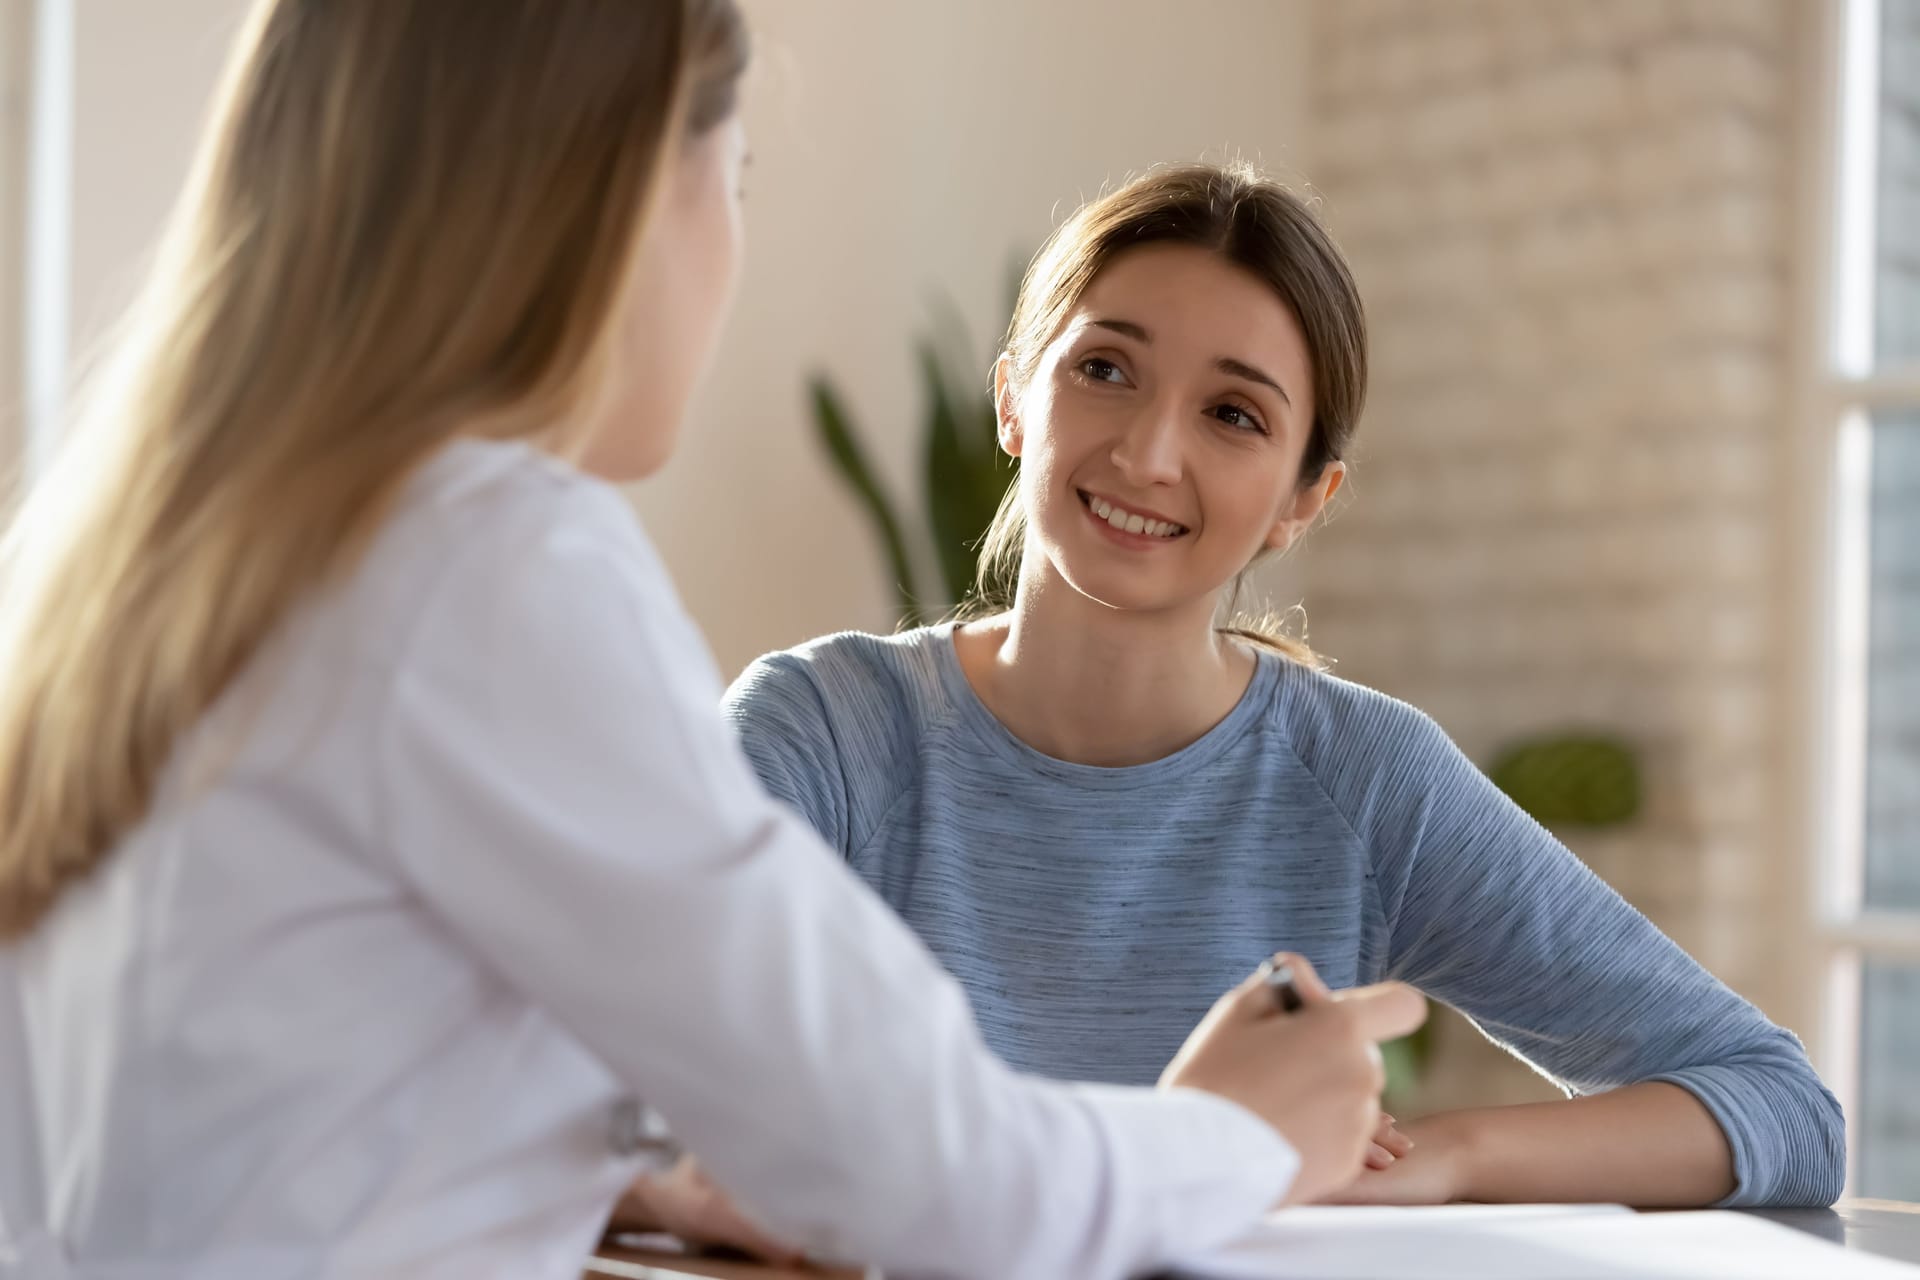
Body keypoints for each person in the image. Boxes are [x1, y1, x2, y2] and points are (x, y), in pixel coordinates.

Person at [0, 8, 1427, 1279]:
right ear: (619, 197)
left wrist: (614, 1165)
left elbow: (253, 1074)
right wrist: (1233, 1134)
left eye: (1236, 415)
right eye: (731, 181)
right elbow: (945, 1183)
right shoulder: (494, 561)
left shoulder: (111, 557)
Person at [715, 162, 1847, 1226]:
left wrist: (1445, 1154)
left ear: (1305, 498)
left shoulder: (1362, 779)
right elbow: (656, 1100)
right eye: (1104, 369)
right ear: (1015, 397)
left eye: (1234, 414)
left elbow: (1781, 1108)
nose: (1150, 452)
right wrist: (1206, 1138)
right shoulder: (820, 734)